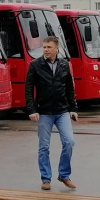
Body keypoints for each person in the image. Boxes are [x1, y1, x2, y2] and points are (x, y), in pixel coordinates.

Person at [25, 36, 78, 190]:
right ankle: (46, 179)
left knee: (69, 142)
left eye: (49, 47)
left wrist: (73, 109)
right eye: (44, 47)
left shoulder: (64, 65)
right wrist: (32, 110)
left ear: (57, 48)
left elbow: (70, 88)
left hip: (62, 111)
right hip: (44, 112)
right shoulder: (35, 65)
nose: (46, 50)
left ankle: (64, 175)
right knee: (44, 147)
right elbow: (28, 89)